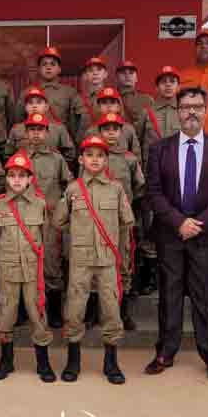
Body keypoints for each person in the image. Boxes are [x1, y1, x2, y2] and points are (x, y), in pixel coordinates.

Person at [144, 87, 208, 383]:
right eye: (186, 107)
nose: (191, 112)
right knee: (169, 296)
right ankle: (165, 353)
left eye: (197, 106)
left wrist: (199, 222)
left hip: (205, 235)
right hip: (171, 234)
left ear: (206, 110)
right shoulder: (160, 149)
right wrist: (178, 222)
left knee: (205, 297)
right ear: (177, 111)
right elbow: (154, 192)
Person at [53, 136, 134, 384]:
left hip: (108, 260)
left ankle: (111, 362)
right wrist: (78, 236)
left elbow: (125, 225)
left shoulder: (116, 189)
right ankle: (73, 361)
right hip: (81, 260)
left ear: (106, 160)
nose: (95, 160)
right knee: (75, 309)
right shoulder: (73, 190)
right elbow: (59, 221)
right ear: (81, 159)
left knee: (111, 310)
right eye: (90, 155)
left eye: (100, 155)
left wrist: (124, 260)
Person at [0, 152, 56, 383]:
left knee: (37, 312)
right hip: (8, 267)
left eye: (21, 175)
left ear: (30, 178)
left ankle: (43, 362)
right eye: (12, 175)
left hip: (32, 269)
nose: (16, 180)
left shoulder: (39, 203)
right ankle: (5, 361)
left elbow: (45, 236)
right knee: (6, 312)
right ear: (6, 178)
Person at [21, 112, 74, 328]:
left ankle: (54, 312)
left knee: (52, 264)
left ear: (47, 132)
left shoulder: (56, 158)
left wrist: (61, 209)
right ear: (26, 132)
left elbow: (68, 186)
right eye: (32, 129)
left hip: (50, 220)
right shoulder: (19, 157)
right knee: (25, 264)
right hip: (24, 219)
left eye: (40, 129)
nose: (36, 133)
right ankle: (27, 310)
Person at [134, 66, 182, 296]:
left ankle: (173, 277)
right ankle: (150, 276)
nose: (168, 85)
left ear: (178, 85)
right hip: (152, 181)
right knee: (150, 227)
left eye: (172, 80)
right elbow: (137, 144)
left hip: (178, 181)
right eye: (163, 81)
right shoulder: (146, 113)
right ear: (157, 87)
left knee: (176, 226)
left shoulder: (185, 113)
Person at [98, 112, 145, 328]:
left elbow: (139, 188)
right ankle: (95, 312)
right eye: (106, 128)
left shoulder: (130, 159)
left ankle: (122, 311)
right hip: (96, 221)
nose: (110, 133)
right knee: (95, 263)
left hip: (121, 220)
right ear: (100, 132)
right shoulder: (93, 157)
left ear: (121, 132)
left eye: (114, 129)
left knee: (123, 263)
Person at [16, 47, 83, 138]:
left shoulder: (69, 92)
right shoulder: (27, 92)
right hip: (33, 140)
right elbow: (18, 121)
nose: (48, 67)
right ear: (39, 68)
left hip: (59, 141)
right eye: (44, 64)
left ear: (59, 69)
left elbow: (74, 124)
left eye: (53, 64)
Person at [6, 87, 74, 166]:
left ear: (46, 106)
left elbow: (69, 154)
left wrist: (57, 167)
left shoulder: (58, 128)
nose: (34, 106)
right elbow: (8, 155)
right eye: (30, 103)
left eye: (39, 102)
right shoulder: (16, 129)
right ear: (25, 107)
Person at [77, 56, 110, 142]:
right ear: (85, 75)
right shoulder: (77, 99)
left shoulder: (113, 97)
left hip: (108, 143)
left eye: (99, 69)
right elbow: (74, 127)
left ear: (105, 74)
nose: (95, 73)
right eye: (90, 70)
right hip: (85, 144)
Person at [115, 60, 154, 128]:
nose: (127, 76)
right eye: (123, 73)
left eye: (131, 73)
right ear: (117, 77)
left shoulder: (147, 99)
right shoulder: (110, 98)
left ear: (136, 78)